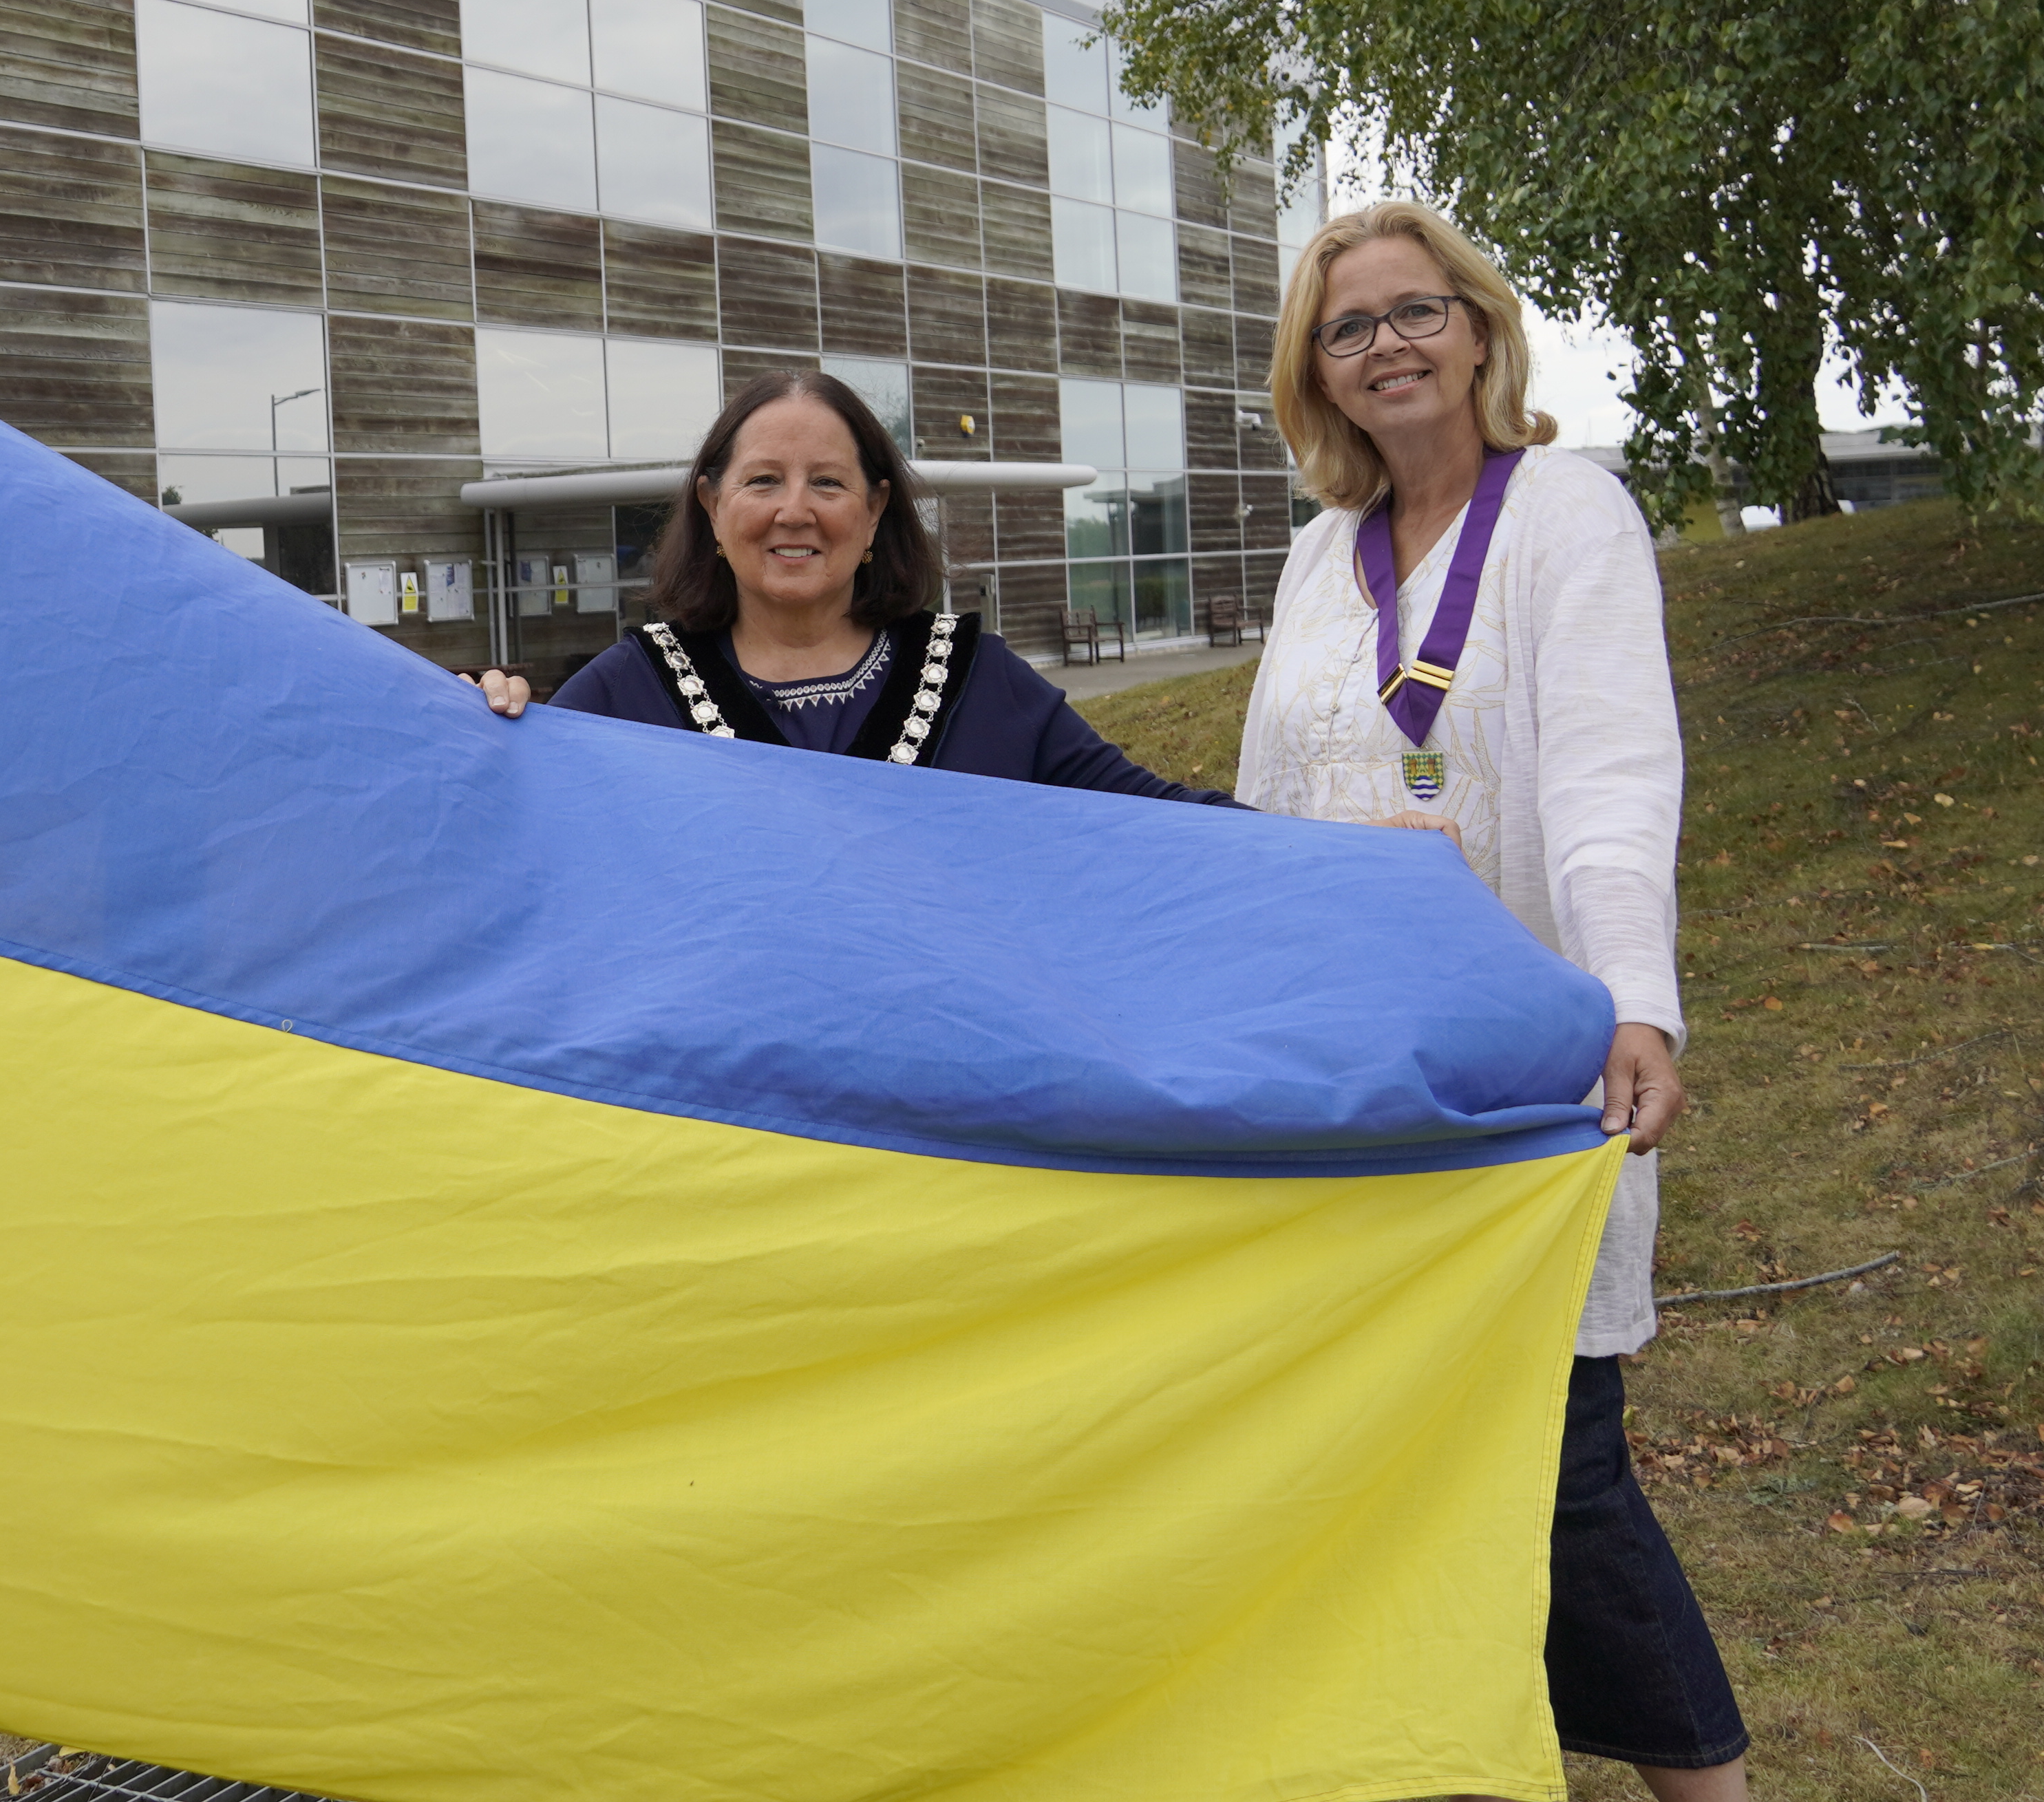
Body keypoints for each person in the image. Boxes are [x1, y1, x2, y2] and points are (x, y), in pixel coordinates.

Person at [1236, 200, 1747, 1798]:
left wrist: (1629, 1000)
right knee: (1391, 1453)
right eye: (1348, 326)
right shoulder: (1321, 555)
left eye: (1413, 311)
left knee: (1561, 1461)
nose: (1385, 343)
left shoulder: (1566, 516)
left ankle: (1705, 1787)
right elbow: (1266, 804)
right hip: (1347, 1079)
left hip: (1524, 1062)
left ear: (1477, 329)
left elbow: (1609, 780)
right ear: (1314, 374)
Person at [476, 369, 1232, 802]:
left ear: (874, 512)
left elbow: (1157, 822)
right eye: (763, 479)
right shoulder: (623, 698)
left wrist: (1334, 858)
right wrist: (471, 722)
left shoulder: (982, 683)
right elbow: (495, 819)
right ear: (712, 506)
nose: (794, 510)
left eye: (829, 483)